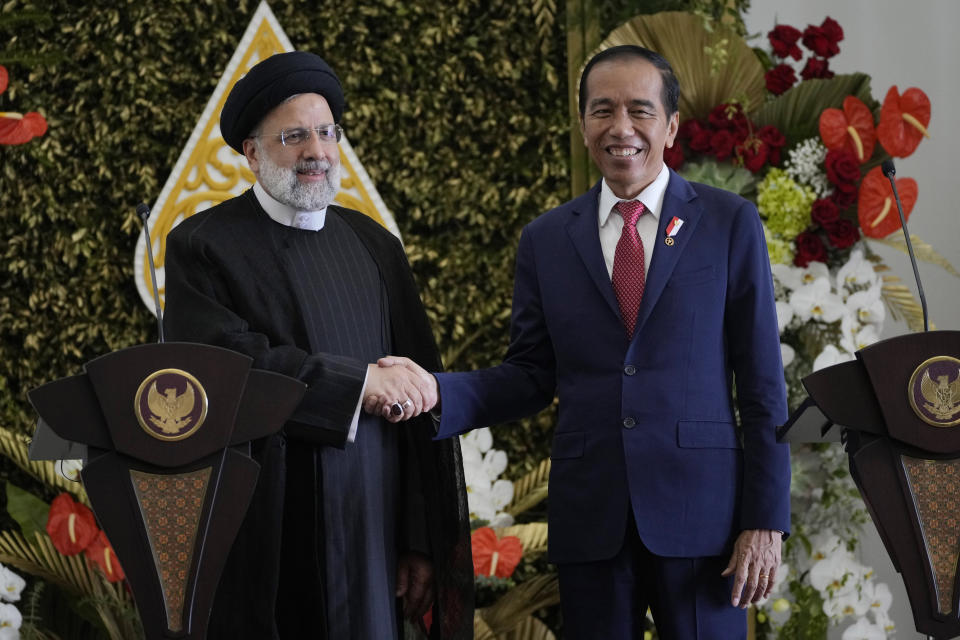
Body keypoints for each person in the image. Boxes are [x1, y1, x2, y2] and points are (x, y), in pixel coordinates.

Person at [379, 45, 791, 638]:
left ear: (671, 126)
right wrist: (434, 391)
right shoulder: (547, 239)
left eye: (640, 111)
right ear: (582, 126)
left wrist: (765, 520)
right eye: (603, 110)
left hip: (705, 521)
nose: (620, 128)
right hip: (592, 518)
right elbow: (529, 375)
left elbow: (762, 387)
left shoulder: (728, 223)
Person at [162, 51, 472, 640]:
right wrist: (355, 385)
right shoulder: (203, 245)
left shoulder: (375, 245)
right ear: (252, 153)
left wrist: (417, 539)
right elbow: (224, 368)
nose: (318, 151)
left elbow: (419, 399)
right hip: (266, 533)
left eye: (328, 133)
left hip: (373, 529)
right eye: (295, 135)